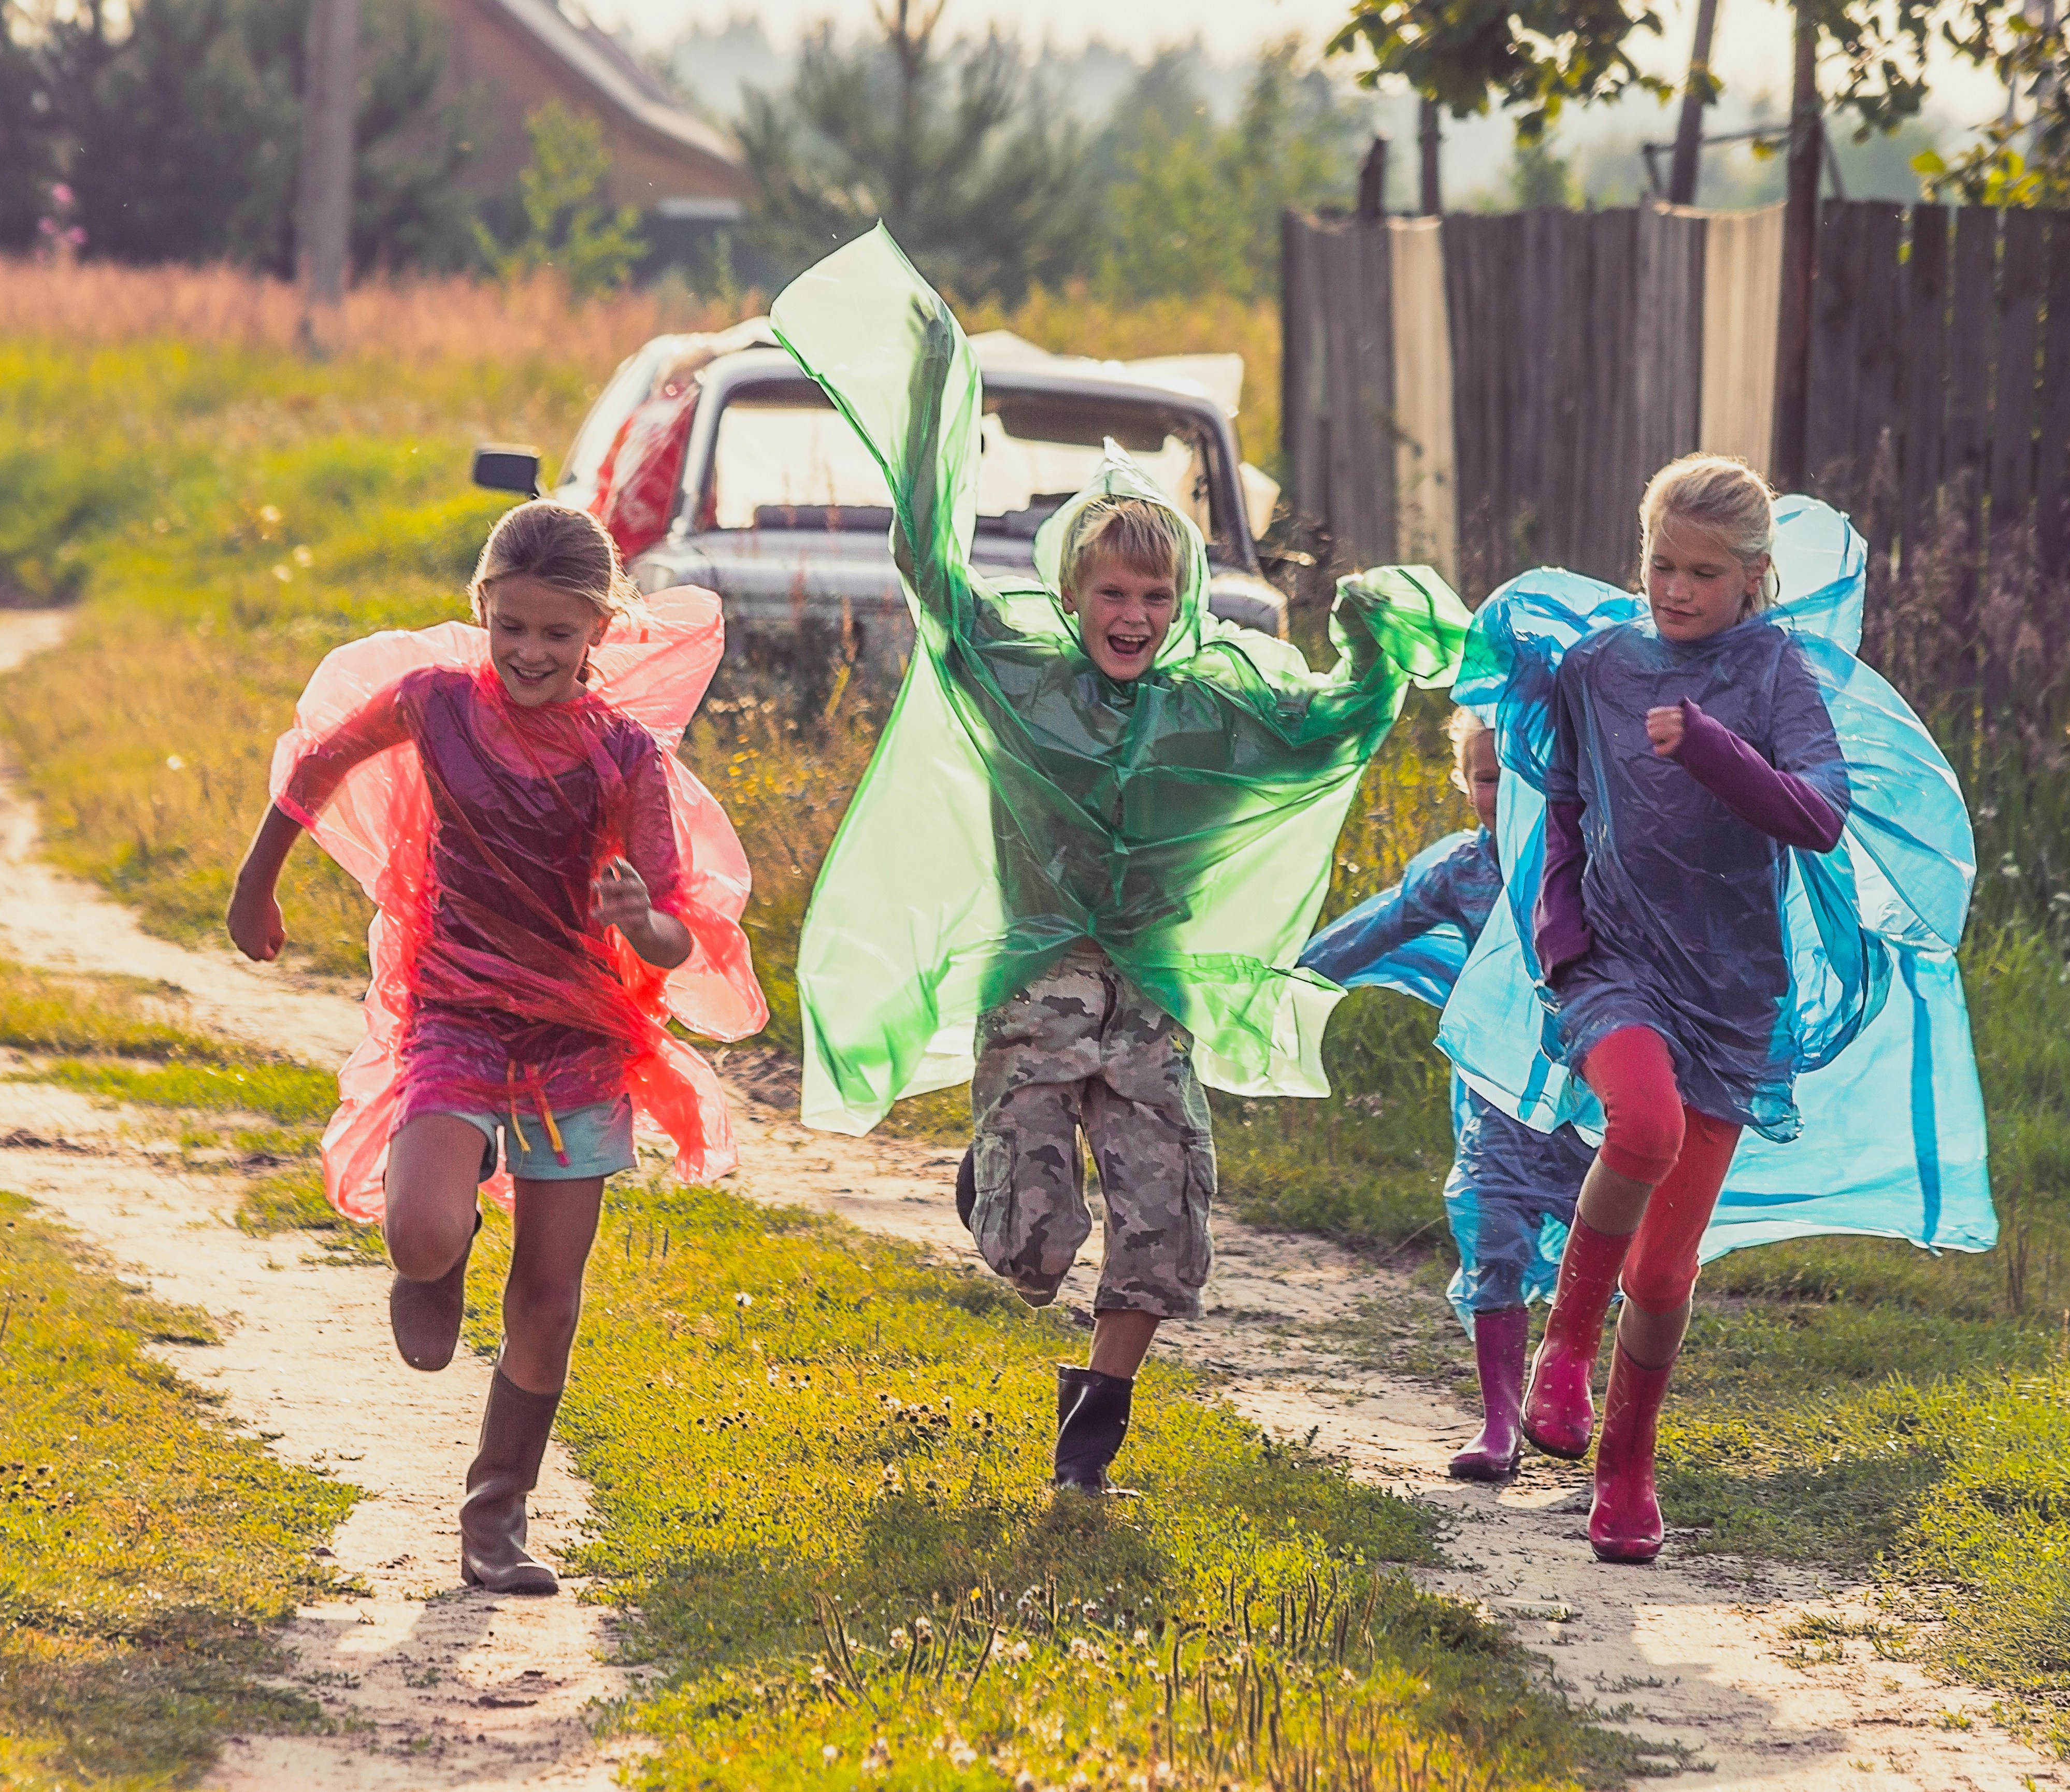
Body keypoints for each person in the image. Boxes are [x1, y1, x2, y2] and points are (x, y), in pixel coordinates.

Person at [768, 226, 1468, 1495]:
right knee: (1028, 1249)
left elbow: (1336, 726)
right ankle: (992, 1172)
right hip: (1038, 985)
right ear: (1075, 591)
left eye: (1155, 597)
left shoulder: (1219, 708)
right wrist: (934, 395)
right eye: (1112, 595)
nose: (1133, 617)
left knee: (1166, 1220)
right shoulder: (1018, 678)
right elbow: (928, 569)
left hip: (1151, 998)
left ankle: (1096, 1424)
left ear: (1182, 599)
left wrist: (1373, 638)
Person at [1441, 453, 1988, 1565]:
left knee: (1666, 1268)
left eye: (1701, 572)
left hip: (1734, 997)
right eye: (1659, 565)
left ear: (1752, 576)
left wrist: (1714, 746)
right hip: (1615, 969)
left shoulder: (1776, 672)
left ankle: (1627, 1470)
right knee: (1639, 1126)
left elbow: (1818, 816)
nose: (1675, 590)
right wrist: (1559, 939)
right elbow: (1563, 802)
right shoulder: (1599, 666)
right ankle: (1562, 1353)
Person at [226, 499, 764, 1593]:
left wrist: (633, 916)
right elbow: (316, 765)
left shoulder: (624, 760)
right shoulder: (433, 705)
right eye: (511, 625)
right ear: (483, 610)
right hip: (456, 1015)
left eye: (555, 634)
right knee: (422, 1229)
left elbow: (672, 934)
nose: (529, 651)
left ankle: (495, 1514)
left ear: (597, 633)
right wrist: (257, 878)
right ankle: (441, 1250)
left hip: (579, 1037)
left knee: (550, 1297)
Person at [1297, 711, 1594, 1482]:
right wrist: (1292, 975)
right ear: (1465, 785)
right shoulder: (1462, 871)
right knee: (1491, 1233)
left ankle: (1571, 1388)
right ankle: (1499, 1424)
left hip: (1593, 1102)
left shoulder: (1599, 862)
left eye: (1522, 774)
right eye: (1488, 776)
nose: (1504, 791)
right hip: (1496, 1104)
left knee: (1603, 1256)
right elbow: (1382, 924)